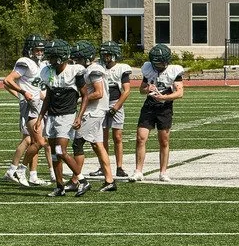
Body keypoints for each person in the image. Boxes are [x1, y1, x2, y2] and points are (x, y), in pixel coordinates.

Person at [36, 39, 88, 197]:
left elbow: (85, 96)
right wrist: (40, 117)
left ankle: (82, 180)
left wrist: (79, 117)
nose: (49, 59)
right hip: (52, 115)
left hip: (67, 115)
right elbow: (48, 96)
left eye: (52, 57)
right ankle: (60, 186)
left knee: (61, 150)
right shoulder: (48, 71)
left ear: (60, 57)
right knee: (53, 152)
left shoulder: (75, 71)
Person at [131, 43, 184, 182]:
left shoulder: (174, 71)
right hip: (149, 106)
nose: (158, 65)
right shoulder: (148, 69)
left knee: (164, 141)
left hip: (164, 108)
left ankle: (163, 172)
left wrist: (164, 97)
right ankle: (138, 171)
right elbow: (141, 90)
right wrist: (147, 88)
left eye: (160, 62)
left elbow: (180, 93)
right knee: (140, 138)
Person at [70, 41, 116, 192]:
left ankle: (76, 180)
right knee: (98, 145)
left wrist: (80, 99)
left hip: (93, 112)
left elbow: (98, 93)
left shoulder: (93, 70)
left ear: (87, 58)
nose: (76, 62)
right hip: (95, 111)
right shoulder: (91, 68)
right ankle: (109, 180)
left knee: (78, 143)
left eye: (78, 59)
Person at [4, 35, 47, 186]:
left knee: (33, 140)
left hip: (38, 104)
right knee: (36, 141)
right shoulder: (25, 62)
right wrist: (22, 93)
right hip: (29, 105)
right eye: (37, 49)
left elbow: (37, 89)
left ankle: (31, 175)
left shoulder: (41, 65)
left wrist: (47, 101)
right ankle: (18, 170)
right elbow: (8, 80)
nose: (40, 52)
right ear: (30, 49)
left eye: (42, 49)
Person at [96, 41, 134, 177]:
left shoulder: (121, 68)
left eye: (108, 54)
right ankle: (103, 167)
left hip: (115, 102)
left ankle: (119, 167)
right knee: (102, 137)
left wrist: (116, 107)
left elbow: (127, 90)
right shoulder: (98, 67)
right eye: (104, 54)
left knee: (117, 136)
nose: (105, 57)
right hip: (101, 103)